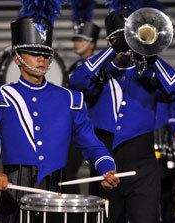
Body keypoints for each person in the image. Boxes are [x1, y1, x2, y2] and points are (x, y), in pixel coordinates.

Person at [0, 0, 119, 223]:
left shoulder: (70, 99)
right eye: (34, 53)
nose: (42, 59)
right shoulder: (1, 97)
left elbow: (92, 145)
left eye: (46, 54)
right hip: (14, 199)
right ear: (17, 57)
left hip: (57, 199)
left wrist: (106, 167)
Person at [69, 0, 175, 223]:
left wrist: (150, 54)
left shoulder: (148, 72)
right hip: (105, 162)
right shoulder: (98, 73)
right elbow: (77, 81)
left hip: (143, 162)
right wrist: (113, 49)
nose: (128, 46)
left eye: (130, 40)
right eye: (122, 40)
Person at [63, 0, 101, 194]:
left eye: (79, 39)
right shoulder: (73, 67)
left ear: (91, 43)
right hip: (73, 126)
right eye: (75, 39)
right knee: (67, 171)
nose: (75, 43)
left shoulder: (99, 68)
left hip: (91, 126)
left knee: (100, 173)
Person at [155, 101, 175, 223]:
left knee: (167, 188)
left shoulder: (169, 88)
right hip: (141, 145)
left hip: (163, 145)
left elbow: (172, 115)